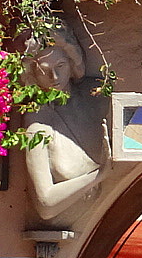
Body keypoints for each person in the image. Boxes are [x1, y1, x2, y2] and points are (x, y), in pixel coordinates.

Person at [21, 24, 108, 223]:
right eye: (44, 71)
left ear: (71, 61)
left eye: (60, 66)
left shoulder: (96, 96)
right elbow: (45, 204)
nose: (55, 77)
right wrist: (100, 175)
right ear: (33, 75)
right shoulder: (37, 123)